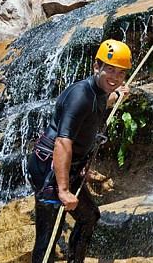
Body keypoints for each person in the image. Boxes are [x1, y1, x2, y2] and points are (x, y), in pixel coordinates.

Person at [26, 39, 132, 263]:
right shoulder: (80, 95)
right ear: (97, 67)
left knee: (89, 217)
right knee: (48, 238)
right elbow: (62, 143)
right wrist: (63, 190)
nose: (114, 77)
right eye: (110, 70)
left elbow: (103, 99)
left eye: (121, 74)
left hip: (68, 166)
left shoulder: (102, 89)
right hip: (49, 167)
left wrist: (119, 94)